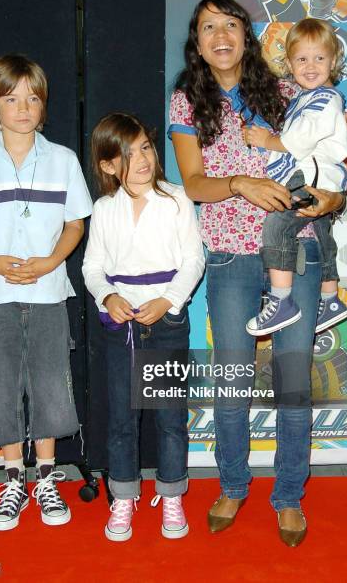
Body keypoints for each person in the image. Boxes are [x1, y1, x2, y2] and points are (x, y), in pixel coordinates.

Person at [169, 0, 345, 547]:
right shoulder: (185, 102)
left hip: (297, 254)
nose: (220, 35)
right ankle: (232, 484)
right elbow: (194, 183)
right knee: (231, 385)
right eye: (207, 28)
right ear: (196, 42)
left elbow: (332, 174)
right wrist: (242, 185)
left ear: (247, 35)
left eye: (229, 25)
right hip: (227, 258)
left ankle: (289, 495)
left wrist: (326, 199)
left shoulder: (291, 92)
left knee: (294, 385)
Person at [0, 54, 92, 531]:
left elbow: (76, 222)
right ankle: (12, 481)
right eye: (12, 99)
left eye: (32, 98)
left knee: (49, 385)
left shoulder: (63, 160)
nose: (23, 107)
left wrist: (51, 261)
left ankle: (46, 479)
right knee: (0, 388)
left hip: (49, 292)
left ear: (43, 105)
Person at [83, 113, 204, 542]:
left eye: (146, 148)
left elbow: (193, 260)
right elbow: (93, 265)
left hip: (167, 323)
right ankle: (123, 497)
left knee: (170, 419)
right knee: (121, 418)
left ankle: (171, 494)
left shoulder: (176, 200)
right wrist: (108, 297)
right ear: (108, 165)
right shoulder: (103, 209)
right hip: (121, 326)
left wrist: (169, 302)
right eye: (127, 153)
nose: (141, 159)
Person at [245, 18, 347, 337]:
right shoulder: (305, 98)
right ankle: (331, 299)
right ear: (289, 62)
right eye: (302, 59)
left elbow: (298, 141)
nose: (310, 66)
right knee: (321, 233)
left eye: (319, 58)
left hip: (310, 179)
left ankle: (281, 299)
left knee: (276, 225)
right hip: (319, 178)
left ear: (332, 61)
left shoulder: (324, 98)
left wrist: (266, 140)